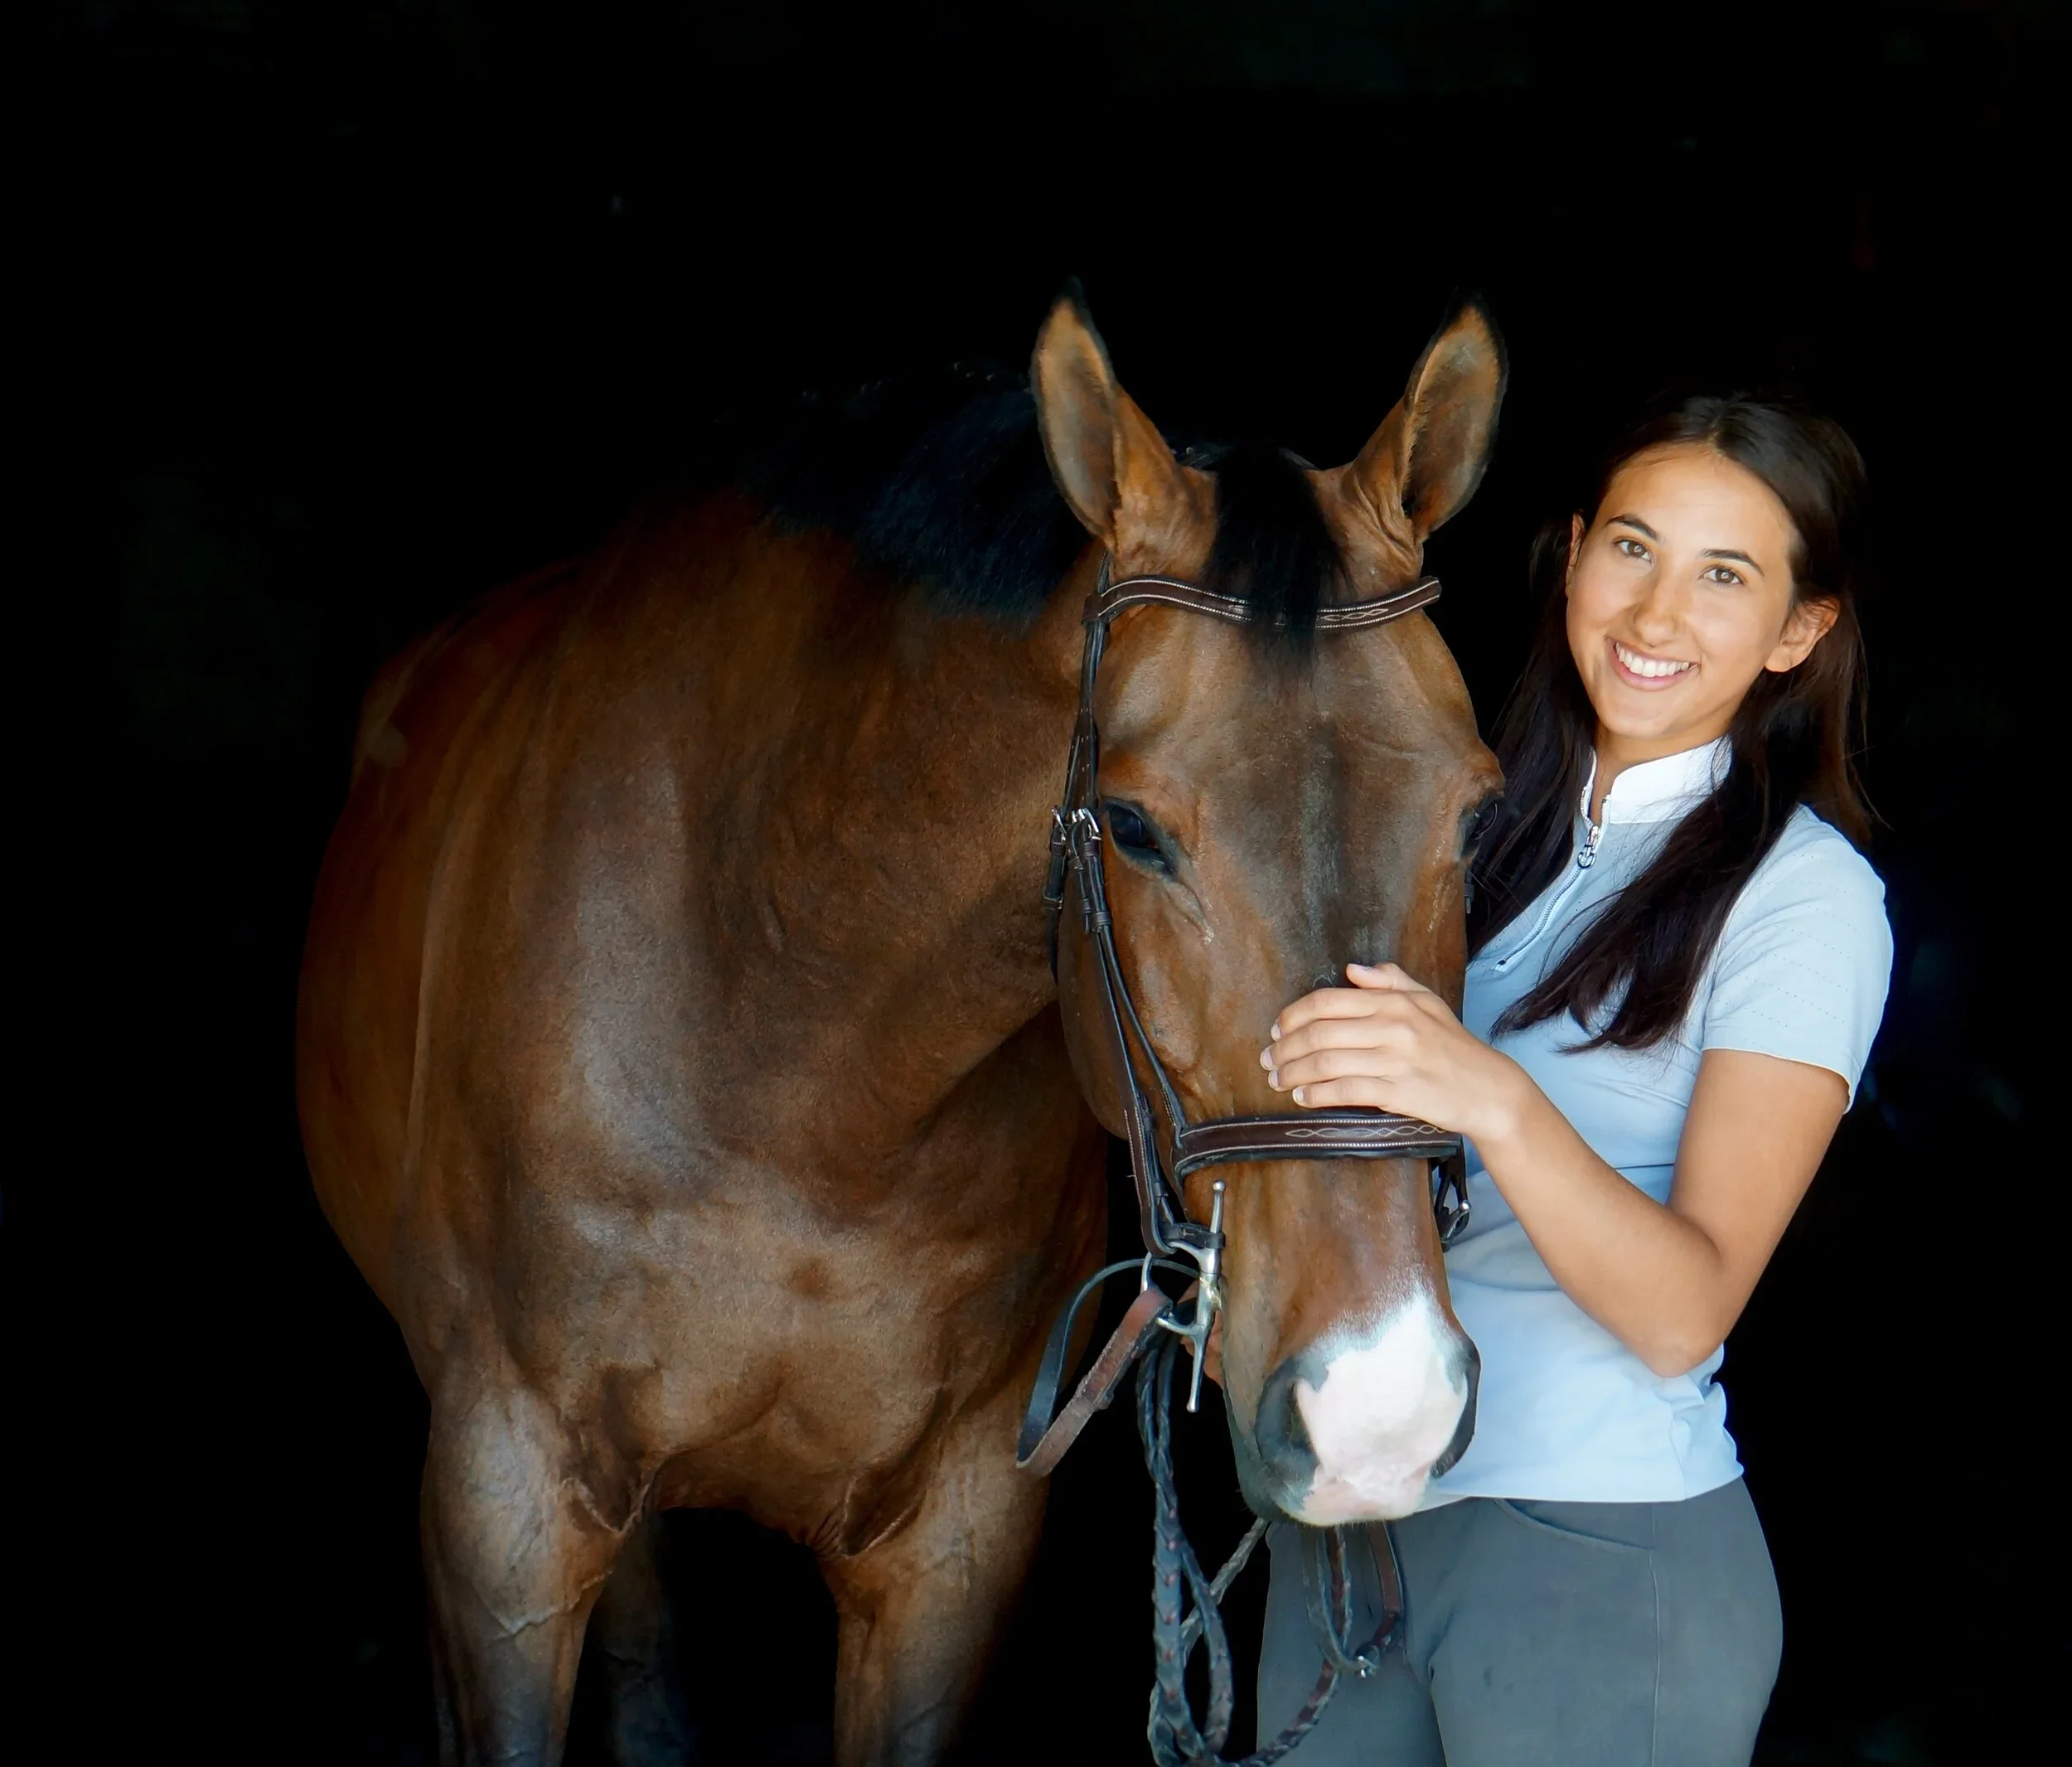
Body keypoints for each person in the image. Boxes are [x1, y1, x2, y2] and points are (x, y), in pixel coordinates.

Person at [1252, 395, 1893, 1766]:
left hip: (1600, 1552)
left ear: (1799, 631)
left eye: (1726, 577)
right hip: (1350, 1533)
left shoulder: (1804, 900)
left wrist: (1487, 1092)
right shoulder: (1463, 843)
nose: (1657, 615)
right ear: (1573, 557)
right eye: (1634, 551)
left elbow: (1683, 1312)